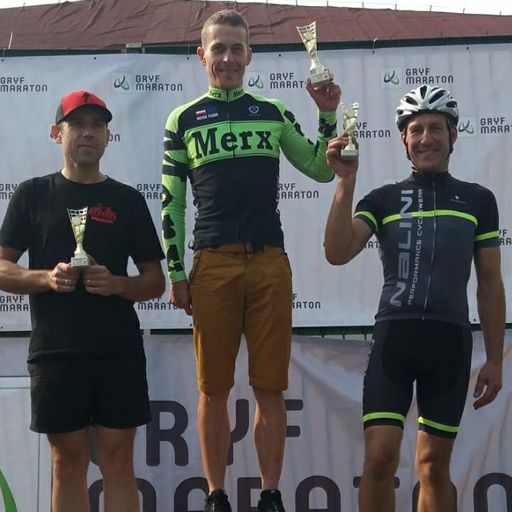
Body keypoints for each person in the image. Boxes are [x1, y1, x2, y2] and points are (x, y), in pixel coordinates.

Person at [161, 9, 340, 512]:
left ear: (250, 56)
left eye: (236, 49)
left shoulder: (272, 112)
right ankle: (215, 495)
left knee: (270, 387)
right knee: (213, 389)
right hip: (212, 262)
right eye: (218, 49)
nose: (227, 58)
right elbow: (172, 202)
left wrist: (328, 115)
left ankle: (270, 495)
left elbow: (320, 169)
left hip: (268, 264)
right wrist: (176, 272)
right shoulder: (183, 119)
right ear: (202, 55)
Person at [324, 84, 505, 511]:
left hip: (448, 342)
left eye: (435, 129)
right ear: (403, 139)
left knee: (433, 465)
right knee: (379, 457)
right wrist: (345, 183)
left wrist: (495, 360)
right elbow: (337, 252)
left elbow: (490, 284)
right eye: (416, 130)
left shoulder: (478, 200)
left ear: (453, 135)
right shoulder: (383, 199)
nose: (426, 138)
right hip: (395, 340)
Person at [0, 90, 165, 512]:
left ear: (108, 136)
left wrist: (117, 285)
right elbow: (1, 267)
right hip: (56, 351)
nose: (88, 133)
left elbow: (154, 282)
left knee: (119, 462)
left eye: (97, 125)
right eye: (77, 124)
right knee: (67, 462)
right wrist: (45, 278)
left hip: (117, 350)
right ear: (57, 133)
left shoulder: (127, 200)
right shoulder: (32, 194)